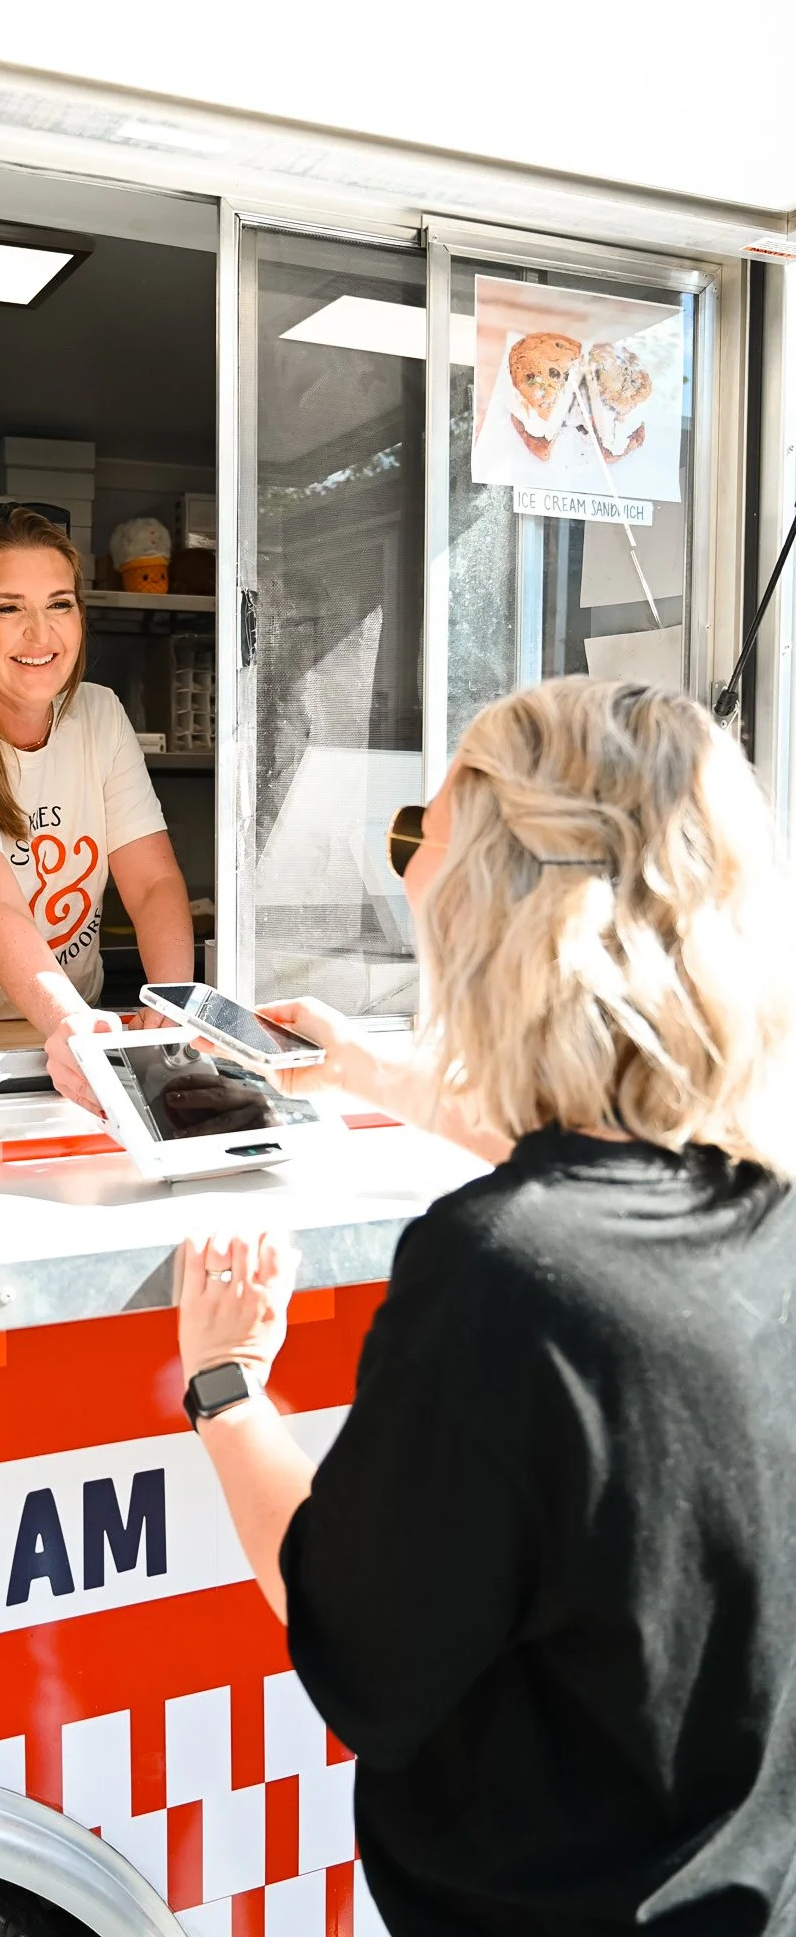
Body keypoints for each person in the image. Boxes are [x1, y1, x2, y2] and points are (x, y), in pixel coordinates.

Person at [175, 676, 796, 1936]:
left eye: (425, 855)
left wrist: (230, 1386)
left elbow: (358, 1651)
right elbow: (608, 1130)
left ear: (505, 927)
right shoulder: (762, 1208)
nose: (410, 893)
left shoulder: (506, 1280)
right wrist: (358, 1066)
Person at [0, 503, 194, 1108]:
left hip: (73, 1021)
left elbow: (151, 880)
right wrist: (72, 1025)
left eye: (60, 604)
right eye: (7, 608)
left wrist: (172, 1005)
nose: (40, 634)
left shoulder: (99, 715)